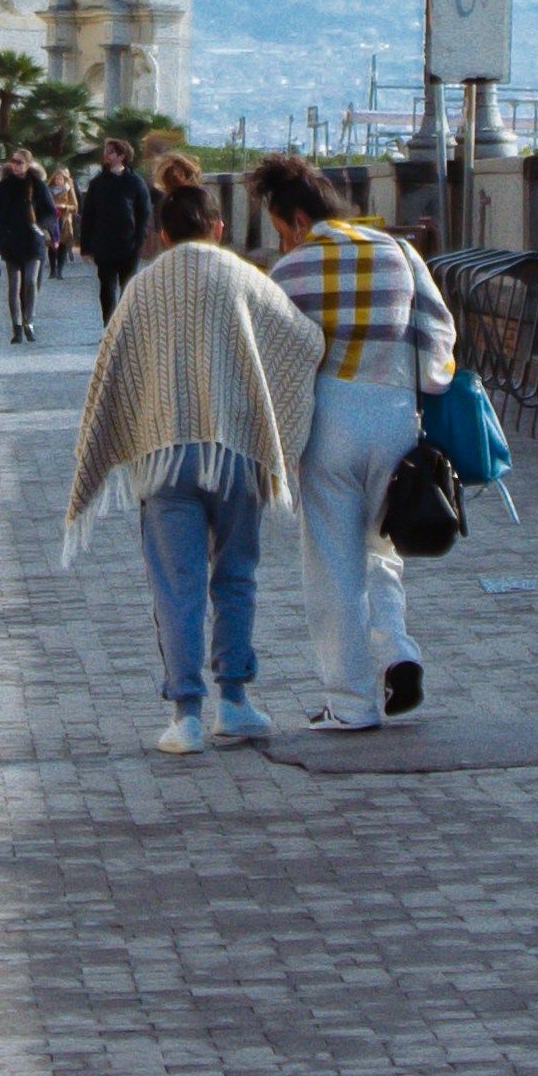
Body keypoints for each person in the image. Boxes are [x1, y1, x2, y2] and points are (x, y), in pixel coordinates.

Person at [64, 163, 317, 754]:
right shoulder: (243, 276)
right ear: (220, 227)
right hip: (235, 455)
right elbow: (301, 340)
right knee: (235, 576)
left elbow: (112, 369)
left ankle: (186, 714)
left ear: (161, 235)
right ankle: (236, 699)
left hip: (163, 457)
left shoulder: (142, 287)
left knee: (175, 583)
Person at [254, 153, 456, 732]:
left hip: (330, 418)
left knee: (332, 563)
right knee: (382, 547)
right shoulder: (398, 251)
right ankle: (398, 652)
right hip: (395, 412)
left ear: (294, 218)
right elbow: (438, 333)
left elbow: (274, 359)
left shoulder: (291, 272)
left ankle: (350, 700)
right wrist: (425, 385)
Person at [0, 149, 54, 342]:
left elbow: (50, 212)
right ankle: (17, 326)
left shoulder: (37, 185)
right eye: (13, 161)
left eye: (20, 162)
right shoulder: (5, 186)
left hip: (33, 240)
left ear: (28, 164)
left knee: (30, 281)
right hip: (11, 240)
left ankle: (29, 320)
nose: (16, 165)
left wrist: (39, 225)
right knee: (14, 285)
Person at [75, 139, 150, 320]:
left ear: (121, 156)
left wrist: (139, 240)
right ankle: (109, 326)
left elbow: (144, 214)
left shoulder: (135, 182)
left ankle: (126, 326)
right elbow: (88, 216)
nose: (106, 155)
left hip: (129, 244)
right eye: (106, 152)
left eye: (110, 152)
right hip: (104, 244)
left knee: (127, 288)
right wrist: (85, 247)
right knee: (106, 288)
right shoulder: (97, 183)